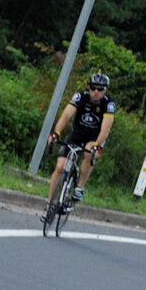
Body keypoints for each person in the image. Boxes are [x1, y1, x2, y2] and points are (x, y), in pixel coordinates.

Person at [41, 72, 116, 221]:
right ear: (89, 87)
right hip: (77, 133)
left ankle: (80, 186)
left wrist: (97, 145)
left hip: (95, 137)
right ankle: (49, 205)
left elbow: (105, 129)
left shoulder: (108, 104)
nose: (96, 92)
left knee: (90, 153)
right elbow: (66, 115)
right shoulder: (80, 97)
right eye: (93, 88)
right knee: (60, 167)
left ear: (105, 90)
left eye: (100, 89)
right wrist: (56, 132)